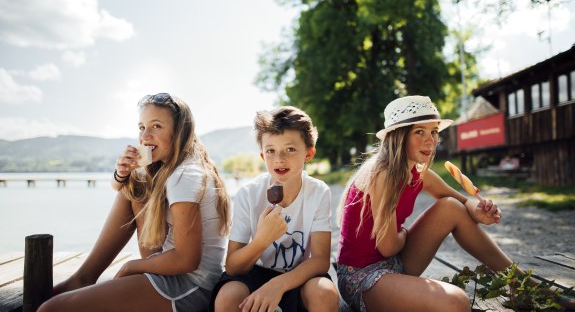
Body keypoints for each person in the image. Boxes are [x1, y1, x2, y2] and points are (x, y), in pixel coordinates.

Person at [39, 93, 231, 312]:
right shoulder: (177, 165)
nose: (145, 136)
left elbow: (187, 260)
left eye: (156, 126)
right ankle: (85, 277)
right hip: (172, 270)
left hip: (190, 286)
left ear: (179, 131)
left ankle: (84, 278)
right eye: (141, 127)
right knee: (135, 183)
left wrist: (131, 267)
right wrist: (122, 173)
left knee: (51, 309)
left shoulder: (184, 177)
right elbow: (121, 189)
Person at [336, 95, 515, 311]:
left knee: (450, 207)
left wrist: (477, 210)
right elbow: (388, 246)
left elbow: (460, 201)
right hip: (363, 277)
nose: (430, 140)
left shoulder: (419, 173)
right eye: (419, 132)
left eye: (433, 132)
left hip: (395, 263)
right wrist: (402, 232)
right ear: (398, 136)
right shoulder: (383, 175)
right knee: (456, 301)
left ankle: (519, 284)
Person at [210, 106, 339, 312]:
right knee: (228, 297)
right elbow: (233, 265)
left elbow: (321, 259)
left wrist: (277, 285)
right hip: (255, 272)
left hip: (300, 274)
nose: (279, 159)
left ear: (309, 153)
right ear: (262, 156)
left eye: (290, 149)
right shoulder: (249, 194)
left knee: (324, 292)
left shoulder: (318, 192)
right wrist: (262, 240)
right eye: (271, 151)